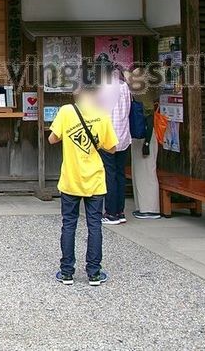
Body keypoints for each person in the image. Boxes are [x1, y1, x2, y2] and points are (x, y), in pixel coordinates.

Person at [49, 84, 119, 286]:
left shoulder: (66, 111)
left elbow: (52, 139)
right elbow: (113, 148)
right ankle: (94, 273)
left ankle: (67, 272)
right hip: (95, 180)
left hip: (71, 179)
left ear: (77, 95)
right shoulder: (102, 114)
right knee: (94, 225)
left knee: (69, 224)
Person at [97, 62, 132, 224]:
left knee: (109, 174)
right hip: (124, 136)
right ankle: (120, 211)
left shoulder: (104, 87)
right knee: (120, 174)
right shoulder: (125, 87)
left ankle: (110, 213)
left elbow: (97, 110)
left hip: (108, 137)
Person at [126, 66, 161, 219]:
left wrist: (146, 143)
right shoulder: (141, 94)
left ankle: (151, 208)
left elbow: (149, 120)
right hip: (141, 137)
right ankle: (143, 206)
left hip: (145, 137)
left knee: (146, 172)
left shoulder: (143, 96)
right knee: (140, 172)